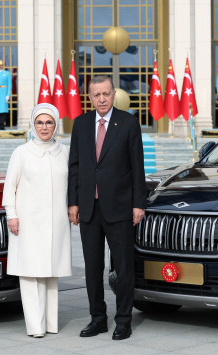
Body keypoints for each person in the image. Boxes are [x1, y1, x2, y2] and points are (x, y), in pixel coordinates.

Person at [68, 75, 146, 341]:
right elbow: (75, 167)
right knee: (92, 267)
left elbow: (138, 168)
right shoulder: (80, 124)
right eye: (96, 94)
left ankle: (123, 320)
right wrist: (73, 202)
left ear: (114, 95)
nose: (101, 99)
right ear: (89, 97)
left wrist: (138, 205)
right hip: (89, 207)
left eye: (106, 94)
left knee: (123, 267)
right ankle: (97, 319)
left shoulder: (128, 123)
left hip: (120, 208)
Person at [2, 103, 72, 338]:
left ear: (56, 125)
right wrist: (12, 215)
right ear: (33, 125)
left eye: (49, 122)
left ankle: (50, 323)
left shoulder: (65, 151)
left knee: (50, 272)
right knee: (31, 273)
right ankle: (35, 326)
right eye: (40, 122)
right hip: (28, 222)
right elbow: (9, 187)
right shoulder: (21, 152)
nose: (44, 127)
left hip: (57, 222)